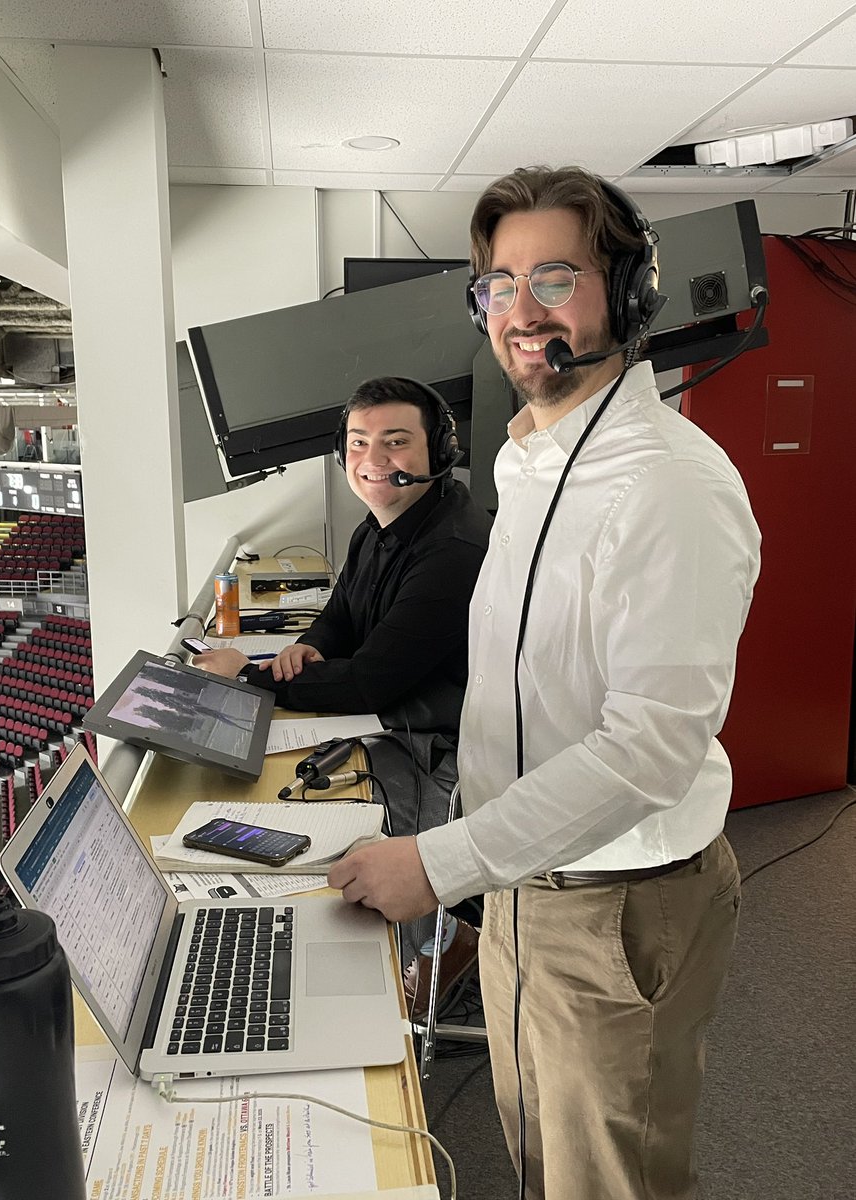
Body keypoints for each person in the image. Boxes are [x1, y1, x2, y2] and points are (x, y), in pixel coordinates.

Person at [328, 167, 761, 1200]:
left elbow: (650, 745)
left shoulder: (670, 486)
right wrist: (474, 867)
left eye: (554, 277)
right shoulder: (529, 461)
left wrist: (441, 863)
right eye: (497, 286)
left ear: (631, 291)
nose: (519, 312)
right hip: (523, 882)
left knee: (604, 1185)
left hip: (615, 906)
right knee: (536, 1163)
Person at [196, 375, 493, 1013]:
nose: (373, 461)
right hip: (399, 712)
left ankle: (431, 959)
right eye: (359, 443)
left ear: (439, 453)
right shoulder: (380, 524)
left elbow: (374, 678)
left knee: (376, 848)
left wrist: (246, 678)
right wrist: (307, 648)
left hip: (442, 741)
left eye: (395, 442)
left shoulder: (452, 548)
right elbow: (341, 617)